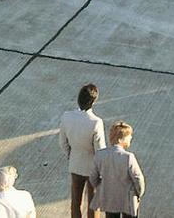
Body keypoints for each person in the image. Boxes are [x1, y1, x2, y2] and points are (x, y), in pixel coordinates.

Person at [60, 83, 107, 218]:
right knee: (93, 204)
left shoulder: (66, 117)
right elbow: (100, 150)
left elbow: (63, 142)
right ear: (93, 101)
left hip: (75, 164)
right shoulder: (96, 122)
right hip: (92, 168)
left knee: (75, 202)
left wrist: (71, 155)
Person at [89, 121, 145, 218]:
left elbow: (93, 177)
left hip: (109, 198)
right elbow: (138, 178)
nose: (131, 138)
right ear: (121, 139)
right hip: (127, 199)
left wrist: (102, 187)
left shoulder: (100, 155)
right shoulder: (128, 157)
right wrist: (139, 193)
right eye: (129, 136)